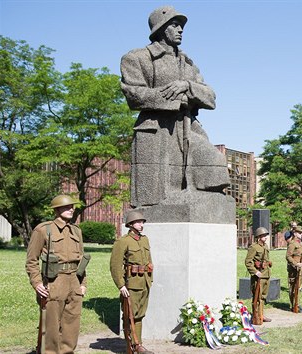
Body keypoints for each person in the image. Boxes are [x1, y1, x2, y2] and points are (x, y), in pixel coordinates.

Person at [120, 5, 230, 208]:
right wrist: (176, 99)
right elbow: (134, 94)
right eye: (175, 25)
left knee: (215, 166)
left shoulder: (188, 64)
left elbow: (211, 97)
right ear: (160, 28)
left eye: (181, 27)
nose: (180, 30)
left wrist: (187, 86)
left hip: (188, 127)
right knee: (157, 193)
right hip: (156, 129)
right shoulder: (137, 58)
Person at [25, 195, 88, 354]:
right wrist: (37, 283)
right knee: (51, 327)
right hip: (54, 282)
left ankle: (67, 352)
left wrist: (83, 284)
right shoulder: (43, 230)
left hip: (73, 281)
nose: (71, 209)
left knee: (71, 324)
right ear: (57, 209)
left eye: (72, 207)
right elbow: (31, 260)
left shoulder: (76, 231)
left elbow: (81, 260)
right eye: (67, 207)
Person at [110, 210, 154, 353]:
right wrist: (121, 285)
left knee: (140, 314)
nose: (141, 224)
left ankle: (138, 344)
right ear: (130, 224)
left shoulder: (144, 240)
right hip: (131, 284)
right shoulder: (123, 241)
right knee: (130, 315)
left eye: (142, 222)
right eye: (138, 222)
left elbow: (149, 261)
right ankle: (133, 345)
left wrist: (150, 279)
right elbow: (115, 265)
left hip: (144, 283)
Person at [245, 227, 273, 324]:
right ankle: (256, 316)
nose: (266, 237)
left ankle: (261, 315)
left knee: (263, 296)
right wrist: (255, 272)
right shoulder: (254, 247)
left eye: (266, 235)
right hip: (258, 275)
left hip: (266, 274)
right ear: (259, 236)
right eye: (264, 235)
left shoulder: (265, 246)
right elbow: (248, 262)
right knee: (257, 297)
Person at [286, 226, 302, 312]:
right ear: (295, 233)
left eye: (301, 233)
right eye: (299, 233)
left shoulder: (300, 244)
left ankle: (297, 304)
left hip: (301, 269)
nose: (301, 234)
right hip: (294, 269)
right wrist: (295, 264)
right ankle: (293, 305)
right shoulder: (292, 244)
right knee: (293, 287)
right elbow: (288, 256)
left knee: (297, 287)